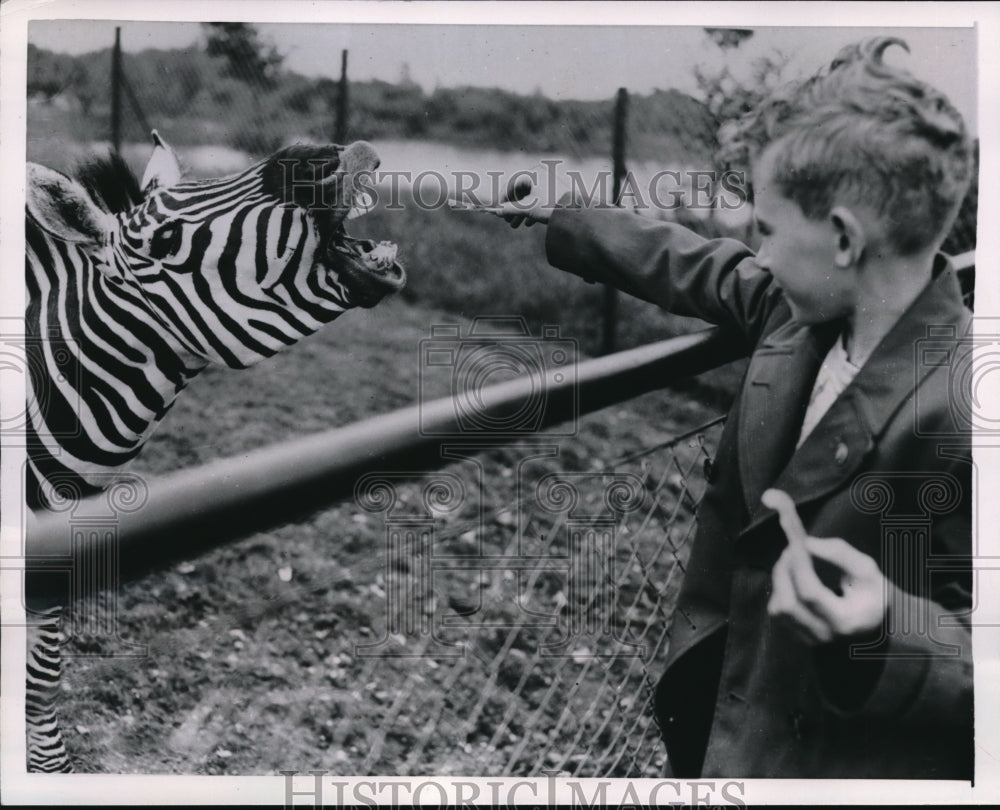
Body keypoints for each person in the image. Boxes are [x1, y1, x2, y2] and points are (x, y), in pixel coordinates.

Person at [499, 37, 974, 778]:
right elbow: (700, 265)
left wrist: (890, 628)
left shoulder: (966, 410)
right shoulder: (797, 311)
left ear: (844, 238)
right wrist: (570, 213)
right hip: (722, 724)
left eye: (767, 228)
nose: (759, 253)